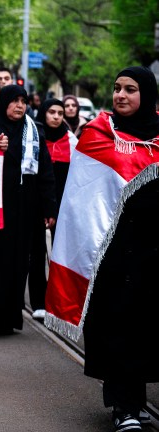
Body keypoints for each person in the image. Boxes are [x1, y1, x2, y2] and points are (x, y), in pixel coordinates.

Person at [46, 66, 159, 432]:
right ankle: (122, 406)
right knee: (117, 326)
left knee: (147, 328)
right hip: (111, 254)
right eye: (116, 88)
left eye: (130, 89)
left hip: (152, 252)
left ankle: (139, 402)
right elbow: (81, 199)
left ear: (147, 95)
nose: (120, 95)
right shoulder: (96, 135)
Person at [0, 85, 56, 337]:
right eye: (14, 101)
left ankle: (6, 319)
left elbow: (45, 171)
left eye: (24, 101)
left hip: (23, 208)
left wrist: (49, 206)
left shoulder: (33, 131)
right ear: (3, 103)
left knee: (16, 263)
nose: (20, 105)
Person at [28, 98, 77, 320]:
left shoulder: (71, 141)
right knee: (37, 255)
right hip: (37, 205)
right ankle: (38, 302)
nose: (57, 116)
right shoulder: (34, 138)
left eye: (60, 113)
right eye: (51, 112)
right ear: (43, 114)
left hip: (64, 206)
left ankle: (59, 302)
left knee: (60, 255)